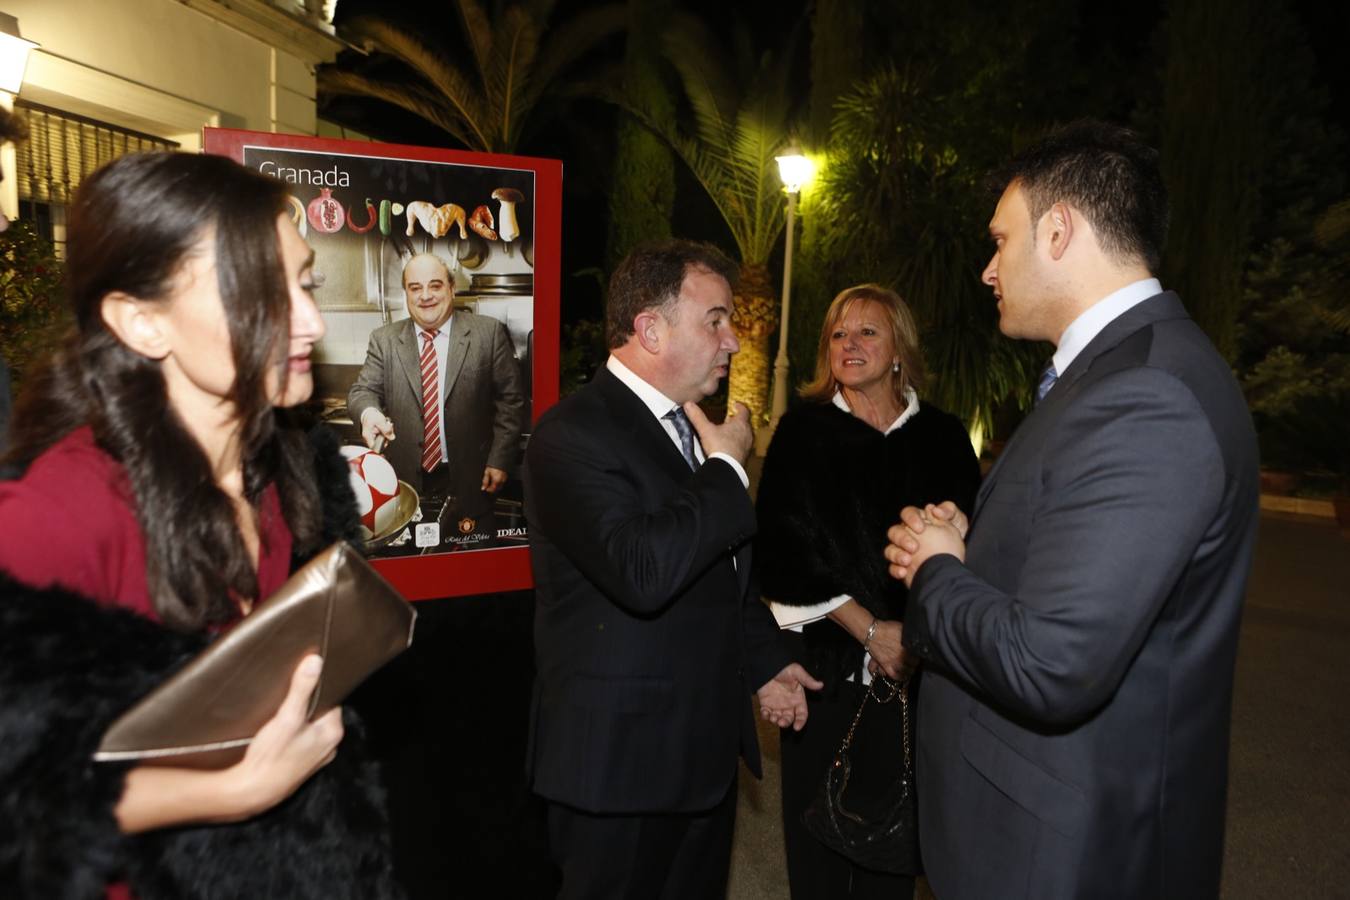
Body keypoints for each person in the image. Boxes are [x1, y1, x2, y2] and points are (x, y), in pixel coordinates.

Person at [0, 152, 399, 899]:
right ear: (142, 322)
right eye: (259, 291)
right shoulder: (60, 514)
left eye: (305, 281)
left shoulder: (289, 471)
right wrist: (233, 792)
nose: (309, 320)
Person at [884, 120, 1260, 899]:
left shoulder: (1146, 395)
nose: (988, 270)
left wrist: (938, 571)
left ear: (1058, 230)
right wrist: (971, 545)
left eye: (1000, 240)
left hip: (1062, 861)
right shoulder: (1112, 373)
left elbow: (1051, 663)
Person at [523, 238, 822, 900]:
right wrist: (726, 470)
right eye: (715, 319)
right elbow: (644, 570)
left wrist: (765, 658)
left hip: (701, 760)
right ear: (650, 328)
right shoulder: (571, 434)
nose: (734, 341)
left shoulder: (690, 427)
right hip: (618, 772)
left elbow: (719, 571)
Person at [755, 284, 980, 900]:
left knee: (894, 861)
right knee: (818, 862)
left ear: (900, 348)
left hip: (921, 684)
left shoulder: (944, 437)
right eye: (837, 334)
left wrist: (916, 641)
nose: (849, 345)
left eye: (867, 332)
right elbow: (780, 551)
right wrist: (871, 631)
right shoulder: (802, 434)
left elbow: (972, 550)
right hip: (824, 678)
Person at [346, 252, 525, 530]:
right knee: (409, 568)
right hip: (403, 483)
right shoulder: (384, 340)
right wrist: (369, 413)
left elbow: (511, 401)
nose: (425, 295)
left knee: (468, 568)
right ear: (406, 293)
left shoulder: (487, 334)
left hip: (471, 479)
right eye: (415, 288)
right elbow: (362, 390)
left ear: (452, 288)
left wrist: (500, 459)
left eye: (435, 285)